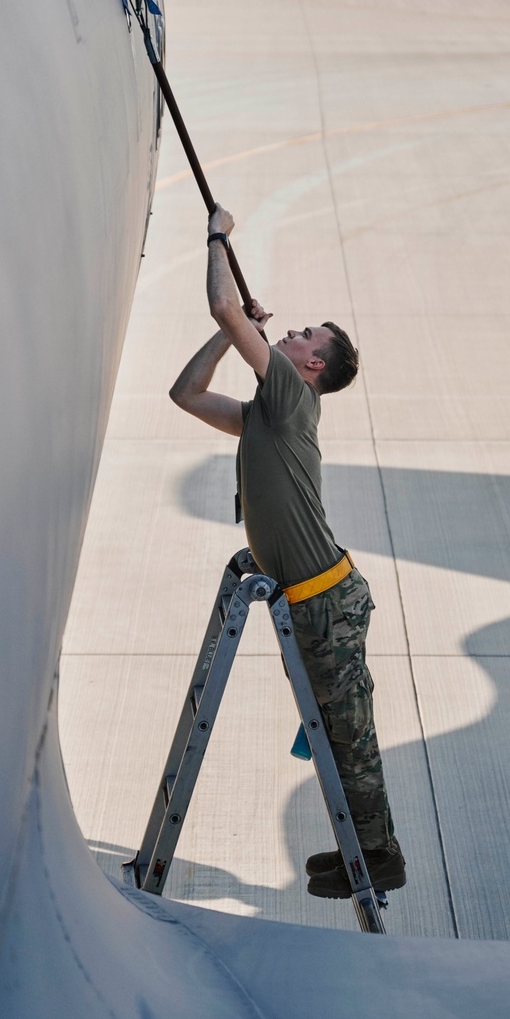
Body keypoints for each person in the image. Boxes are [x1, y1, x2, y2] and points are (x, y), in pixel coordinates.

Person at [168, 203, 405, 899]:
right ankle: (361, 847)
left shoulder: (294, 398)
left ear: (314, 363)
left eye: (304, 334)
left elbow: (220, 303)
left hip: (325, 599)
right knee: (336, 730)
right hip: (310, 600)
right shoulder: (267, 415)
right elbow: (187, 393)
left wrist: (218, 237)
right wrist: (242, 330)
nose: (293, 332)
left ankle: (379, 854)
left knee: (350, 734)